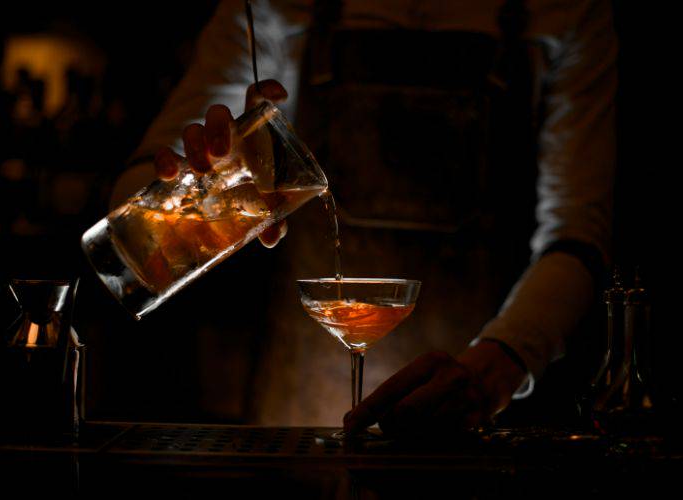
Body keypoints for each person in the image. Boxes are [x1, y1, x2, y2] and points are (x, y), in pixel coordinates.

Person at [111, 0, 616, 432]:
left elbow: (577, 232)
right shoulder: (276, 6)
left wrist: (492, 374)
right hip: (297, 413)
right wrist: (182, 193)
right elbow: (134, 192)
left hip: (478, 414)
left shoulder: (565, 11)